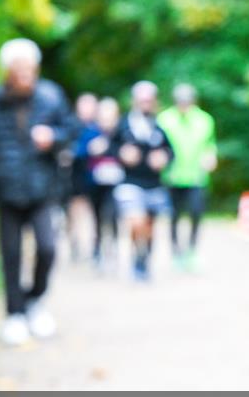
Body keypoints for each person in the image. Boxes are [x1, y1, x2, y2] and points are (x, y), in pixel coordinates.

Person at [0, 38, 73, 345]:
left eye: (30, 68)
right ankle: (14, 314)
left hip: (43, 189)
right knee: (10, 255)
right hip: (7, 191)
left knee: (48, 248)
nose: (26, 74)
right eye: (19, 69)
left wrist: (53, 137)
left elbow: (72, 132)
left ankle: (34, 301)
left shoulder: (52, 97)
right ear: (8, 71)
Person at [112, 81, 173, 281]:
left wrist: (164, 157)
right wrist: (122, 153)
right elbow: (110, 148)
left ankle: (143, 259)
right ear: (135, 101)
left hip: (154, 185)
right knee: (136, 221)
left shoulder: (158, 126)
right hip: (130, 182)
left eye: (149, 100)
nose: (146, 104)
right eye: (142, 100)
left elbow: (171, 152)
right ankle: (135, 257)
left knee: (150, 227)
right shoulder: (124, 125)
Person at [156, 83, 217, 271]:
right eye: (181, 101)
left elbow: (210, 144)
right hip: (172, 177)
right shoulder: (164, 119)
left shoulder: (205, 120)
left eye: (187, 101)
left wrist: (211, 155)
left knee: (196, 213)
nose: (184, 105)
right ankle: (176, 252)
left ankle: (192, 251)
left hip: (197, 177)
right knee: (173, 216)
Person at [77, 96, 123, 270]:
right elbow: (79, 153)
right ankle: (97, 251)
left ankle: (114, 249)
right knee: (97, 218)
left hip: (115, 183)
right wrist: (91, 149)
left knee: (113, 215)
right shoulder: (90, 133)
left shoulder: (120, 133)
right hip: (94, 183)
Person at [66, 92, 98, 260]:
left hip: (96, 179)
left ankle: (93, 247)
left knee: (94, 213)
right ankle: (74, 244)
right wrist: (88, 150)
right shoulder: (71, 126)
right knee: (74, 212)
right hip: (75, 177)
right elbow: (69, 152)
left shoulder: (98, 127)